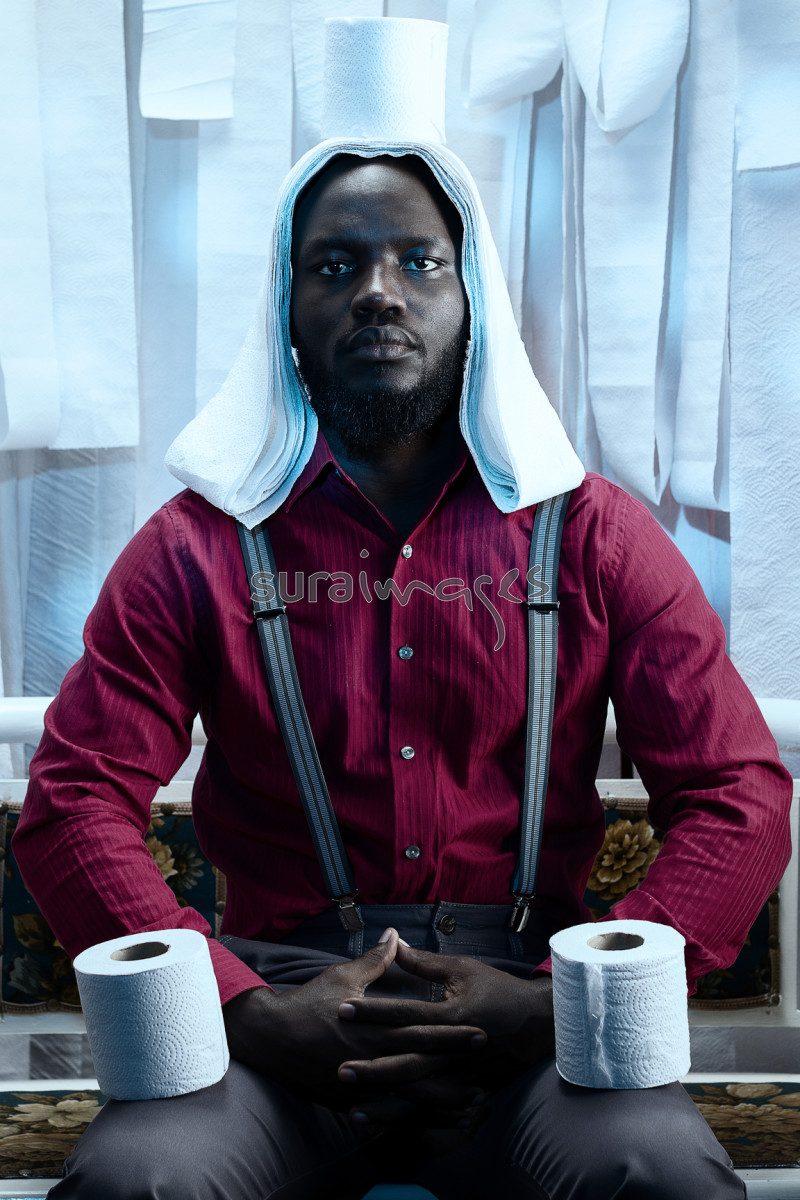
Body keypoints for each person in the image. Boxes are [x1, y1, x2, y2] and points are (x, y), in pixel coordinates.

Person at [13, 18, 793, 1200]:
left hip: (533, 1012)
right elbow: (74, 801)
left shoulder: (593, 534)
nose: (378, 293)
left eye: (417, 262)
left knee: (655, 1173)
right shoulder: (192, 547)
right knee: (143, 1182)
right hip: (276, 1013)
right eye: (335, 265)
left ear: (471, 298)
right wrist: (240, 1007)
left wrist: (555, 1004)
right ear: (284, 310)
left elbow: (737, 794)